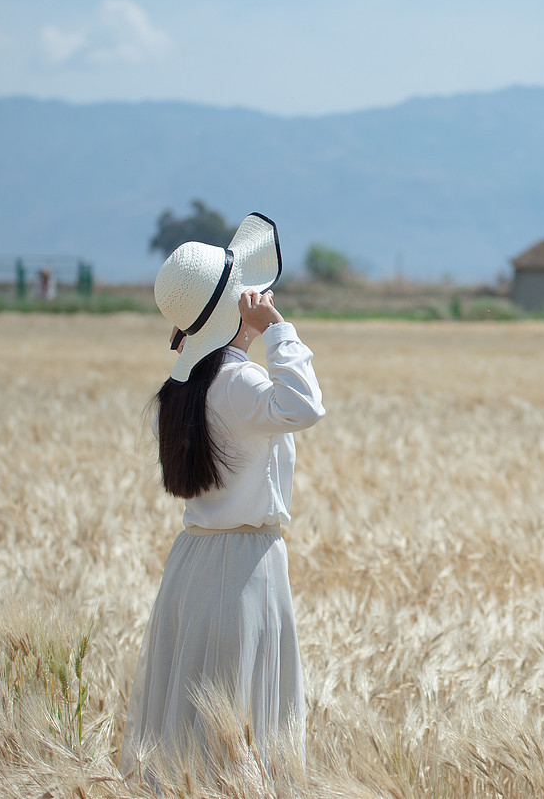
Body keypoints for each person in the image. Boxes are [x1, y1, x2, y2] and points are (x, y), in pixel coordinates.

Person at [121, 213, 325, 785]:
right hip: (245, 570)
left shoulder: (182, 388)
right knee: (243, 727)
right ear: (236, 307)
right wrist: (279, 328)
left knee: (188, 730)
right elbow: (306, 406)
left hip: (191, 564)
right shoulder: (238, 383)